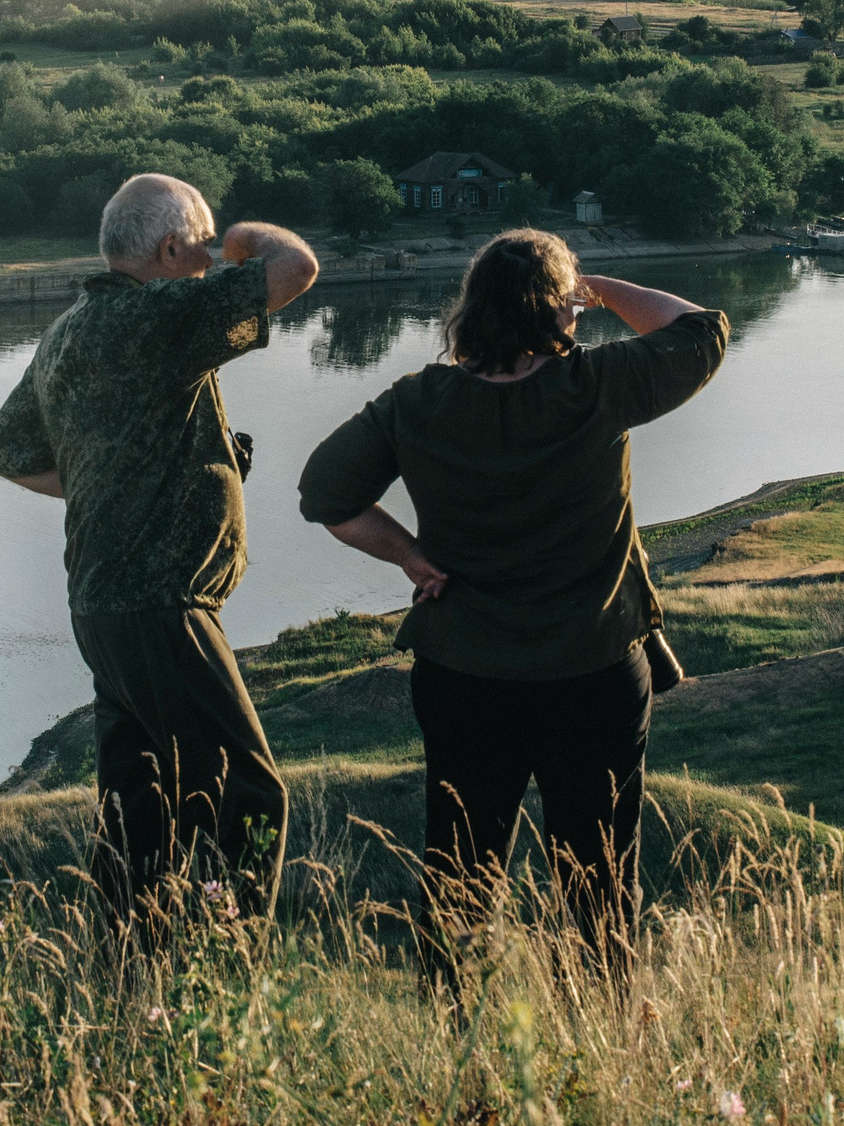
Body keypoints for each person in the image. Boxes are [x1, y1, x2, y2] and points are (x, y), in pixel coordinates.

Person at [297, 229, 728, 984]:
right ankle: (600, 1042)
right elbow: (702, 328)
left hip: (464, 675)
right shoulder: (596, 384)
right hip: (591, 674)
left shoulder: (418, 402)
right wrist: (592, 286)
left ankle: (454, 1035)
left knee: (459, 873)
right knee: (598, 881)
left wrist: (410, 556)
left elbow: (324, 493)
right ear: (557, 312)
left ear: (470, 310)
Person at [0, 172, 318, 925]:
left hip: (103, 606)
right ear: (170, 249)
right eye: (196, 248)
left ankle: (135, 976)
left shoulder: (69, 329)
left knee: (144, 809)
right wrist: (240, 243)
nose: (206, 262)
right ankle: (229, 976)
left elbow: (3, 449)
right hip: (162, 605)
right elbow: (294, 269)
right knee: (251, 797)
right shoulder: (156, 313)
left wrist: (110, 479)